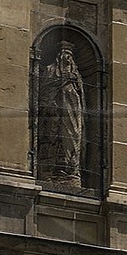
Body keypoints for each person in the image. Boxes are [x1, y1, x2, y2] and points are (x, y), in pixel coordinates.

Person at [40, 44, 85, 185]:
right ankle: (50, 170)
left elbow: (81, 98)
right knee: (51, 136)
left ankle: (70, 170)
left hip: (72, 114)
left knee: (72, 137)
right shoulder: (49, 71)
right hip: (54, 113)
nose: (67, 59)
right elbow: (45, 92)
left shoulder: (76, 76)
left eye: (69, 56)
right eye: (64, 55)